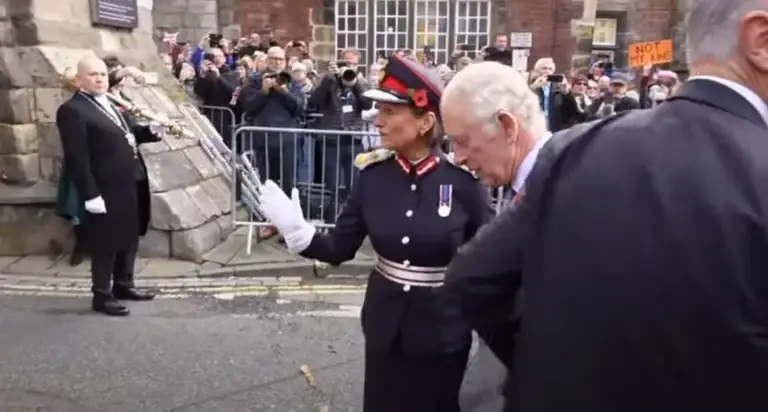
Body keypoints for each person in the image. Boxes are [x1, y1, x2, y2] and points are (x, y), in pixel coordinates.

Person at [443, 1, 768, 411]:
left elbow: (473, 276)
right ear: (760, 39)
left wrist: (543, 360)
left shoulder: (576, 149)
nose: (458, 156)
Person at [255, 54, 495, 412]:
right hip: (385, 328)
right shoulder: (373, 176)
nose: (377, 120)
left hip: (443, 334)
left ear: (425, 121)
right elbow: (339, 247)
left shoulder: (463, 183)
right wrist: (299, 233)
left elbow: (491, 260)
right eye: (378, 110)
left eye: (389, 112)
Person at [55, 56, 165, 316]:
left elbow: (128, 134)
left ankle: (124, 285)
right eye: (93, 74)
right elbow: (77, 158)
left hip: (131, 181)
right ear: (79, 79)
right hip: (103, 187)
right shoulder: (72, 110)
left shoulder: (111, 102)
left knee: (129, 236)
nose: (99, 79)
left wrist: (152, 130)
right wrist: (90, 194)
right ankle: (102, 295)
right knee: (106, 242)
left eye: (103, 74)